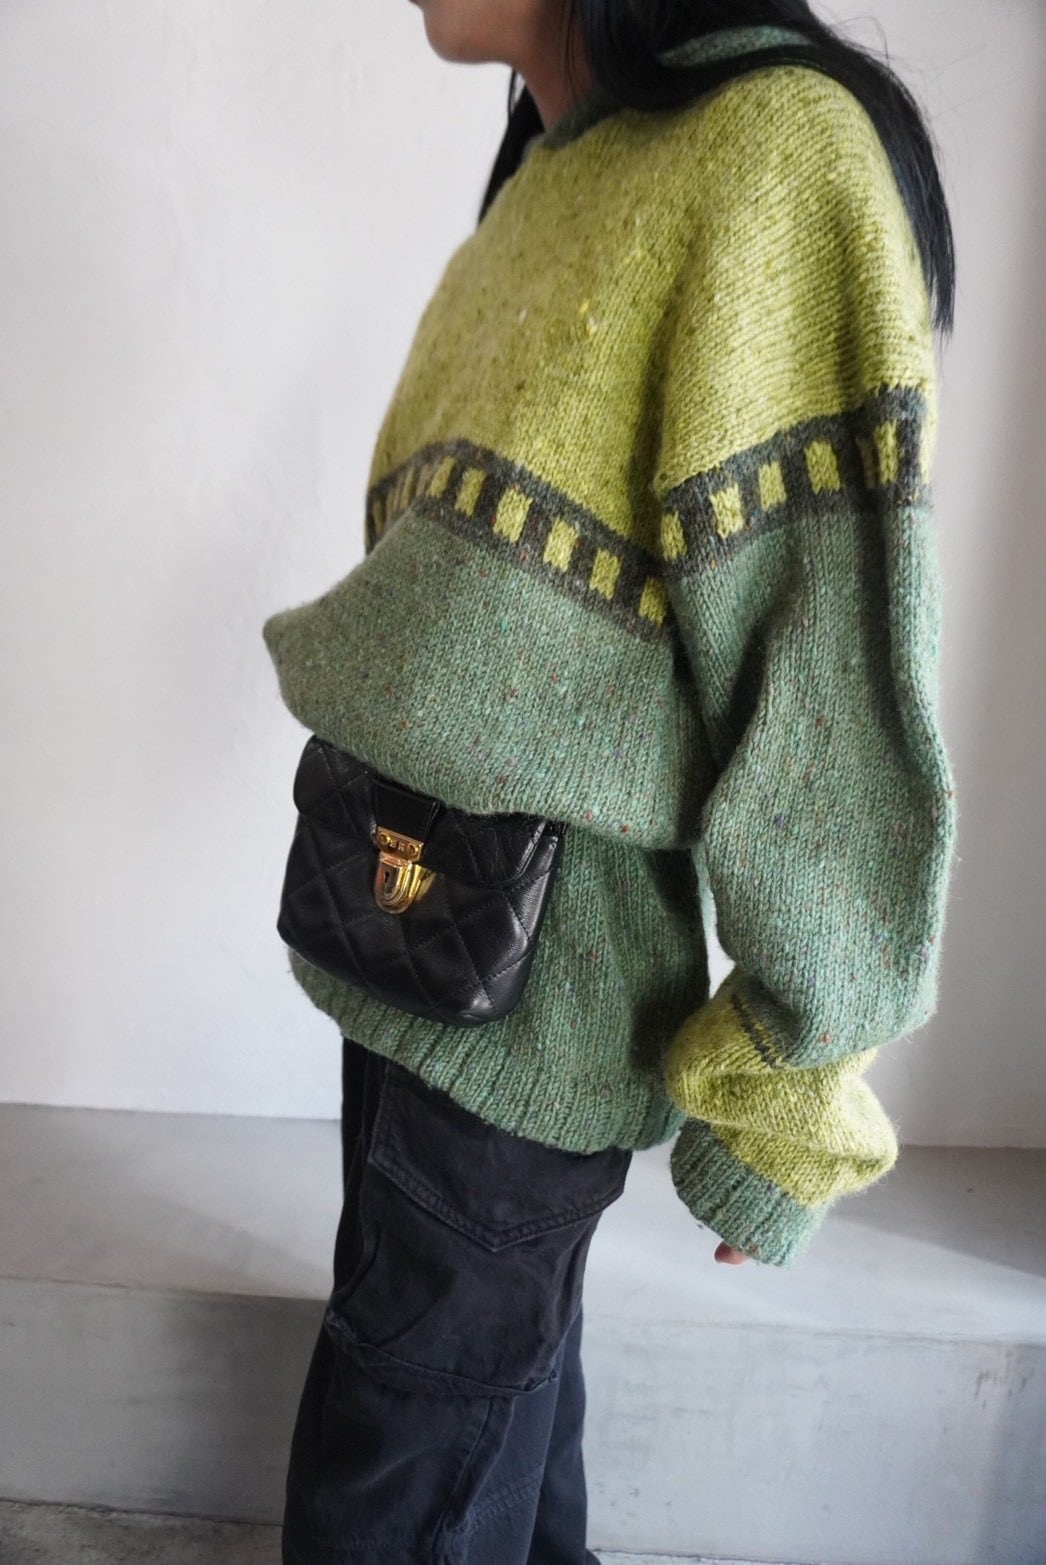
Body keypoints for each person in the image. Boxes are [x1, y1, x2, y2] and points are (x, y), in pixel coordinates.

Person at [261, 2, 958, 1560]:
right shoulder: (555, 166)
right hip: (406, 937)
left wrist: (788, 1087)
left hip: (533, 986)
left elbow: (826, 671)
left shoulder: (773, 150)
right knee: (485, 1440)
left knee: (401, 1485)